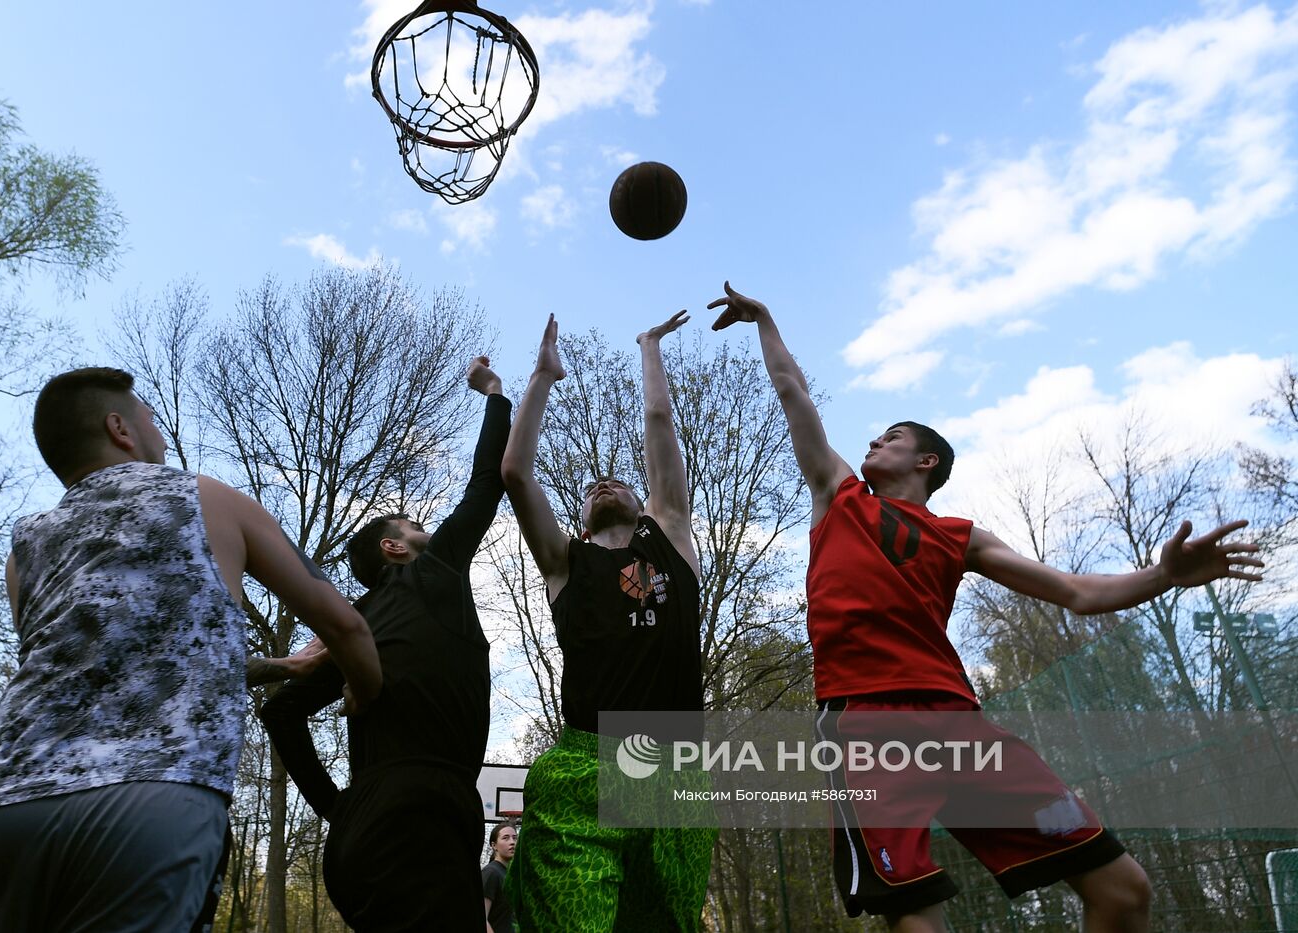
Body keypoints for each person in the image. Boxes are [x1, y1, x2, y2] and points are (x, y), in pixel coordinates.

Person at [707, 282, 1265, 933]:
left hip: (961, 728)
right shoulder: (839, 495)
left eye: (889, 437)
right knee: (914, 910)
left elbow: (1078, 593)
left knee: (1123, 889)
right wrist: (766, 321)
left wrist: (1163, 573)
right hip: (866, 724)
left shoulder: (959, 536)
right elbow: (792, 393)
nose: (872, 443)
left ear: (926, 459)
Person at [0, 367, 382, 933]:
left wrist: (281, 667)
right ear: (120, 428)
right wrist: (362, 694)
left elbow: (99, 664)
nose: (160, 436)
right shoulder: (205, 497)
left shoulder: (26, 546)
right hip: (154, 797)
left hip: (4, 803)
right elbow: (347, 628)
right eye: (150, 420)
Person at [259, 355, 510, 932]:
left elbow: (283, 712)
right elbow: (486, 481)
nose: (428, 530)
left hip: (371, 828)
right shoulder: (432, 574)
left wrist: (340, 809)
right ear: (395, 549)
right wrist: (494, 393)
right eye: (414, 527)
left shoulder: (354, 632)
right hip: (415, 816)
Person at [500, 313, 715, 933]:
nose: (603, 486)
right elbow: (516, 474)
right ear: (582, 517)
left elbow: (659, 423)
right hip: (588, 762)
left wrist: (649, 347)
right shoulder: (566, 562)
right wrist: (543, 377)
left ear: (642, 503)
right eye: (592, 488)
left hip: (675, 766)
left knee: (664, 922)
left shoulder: (670, 536)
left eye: (616, 481)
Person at [482, 821, 518, 933]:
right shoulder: (491, 872)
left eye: (515, 838)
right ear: (494, 845)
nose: (512, 842)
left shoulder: (510, 874)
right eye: (506, 838)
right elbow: (481, 917)